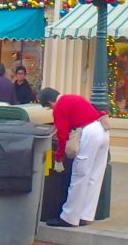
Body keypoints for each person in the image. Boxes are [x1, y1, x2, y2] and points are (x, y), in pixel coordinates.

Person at [41, 88, 110, 228]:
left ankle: (69, 217)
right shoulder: (73, 98)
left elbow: (62, 135)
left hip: (89, 133)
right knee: (95, 176)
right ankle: (86, 215)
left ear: (50, 102)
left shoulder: (59, 107)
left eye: (48, 107)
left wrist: (59, 158)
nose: (51, 110)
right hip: (102, 130)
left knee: (79, 175)